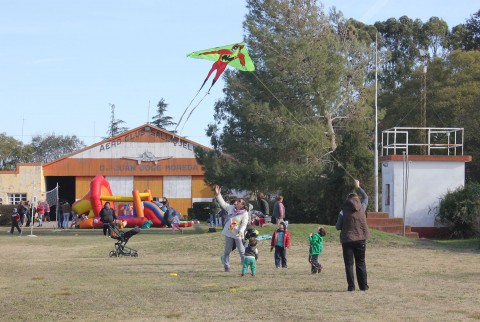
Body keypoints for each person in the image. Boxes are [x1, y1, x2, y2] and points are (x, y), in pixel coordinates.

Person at [336, 179, 370, 292]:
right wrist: (358, 186)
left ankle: (351, 287)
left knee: (349, 264)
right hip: (361, 239)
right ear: (357, 199)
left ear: (348, 200)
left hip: (347, 240)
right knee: (361, 263)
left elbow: (338, 227)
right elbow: (366, 197)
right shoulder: (362, 207)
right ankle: (363, 286)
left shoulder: (342, 211)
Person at [214, 184, 249, 272]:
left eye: (239, 201)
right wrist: (218, 194)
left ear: (242, 205)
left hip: (238, 233)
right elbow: (223, 204)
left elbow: (244, 224)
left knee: (242, 251)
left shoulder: (244, 213)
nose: (237, 202)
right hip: (229, 232)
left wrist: (241, 231)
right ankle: (227, 267)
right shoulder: (231, 208)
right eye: (237, 201)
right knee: (227, 251)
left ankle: (245, 267)